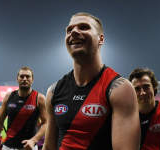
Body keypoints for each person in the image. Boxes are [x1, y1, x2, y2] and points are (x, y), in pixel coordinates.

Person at [43, 12, 140, 150]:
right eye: (69, 30)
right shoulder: (54, 91)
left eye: (83, 27)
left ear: (101, 39)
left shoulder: (120, 89)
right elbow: (48, 147)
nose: (74, 32)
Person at [0, 66, 47, 150]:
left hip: (29, 147)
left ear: (32, 79)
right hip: (8, 146)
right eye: (21, 76)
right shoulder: (8, 96)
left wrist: (34, 140)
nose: (24, 79)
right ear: (17, 79)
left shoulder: (39, 98)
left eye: (28, 76)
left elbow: (46, 123)